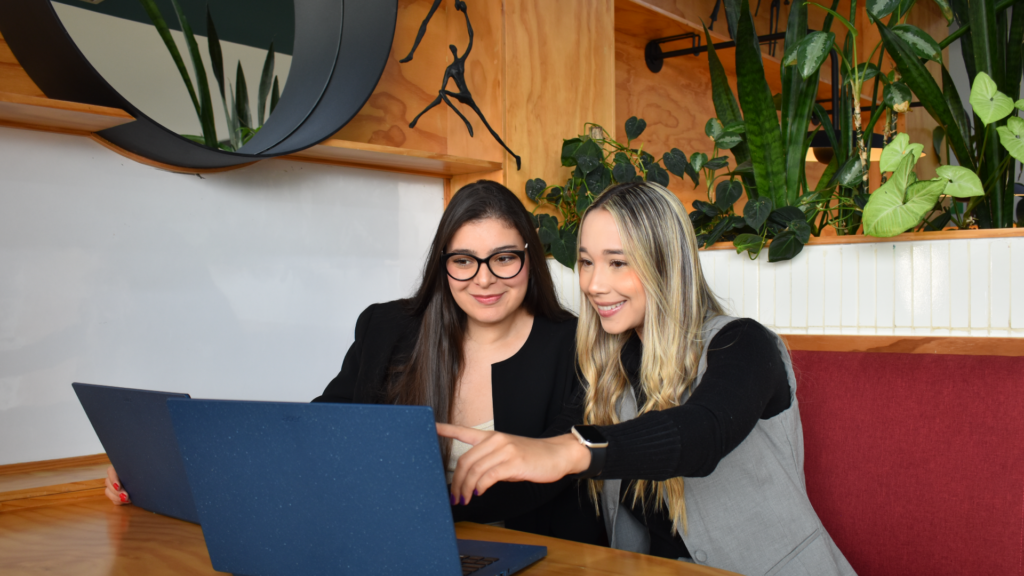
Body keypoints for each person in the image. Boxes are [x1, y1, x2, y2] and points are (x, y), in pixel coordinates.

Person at [105, 180, 602, 545]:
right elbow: (317, 429)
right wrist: (163, 468)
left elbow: (560, 477)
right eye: (463, 260)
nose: (484, 278)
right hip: (385, 543)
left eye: (504, 257)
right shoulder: (388, 329)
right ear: (443, 265)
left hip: (533, 549)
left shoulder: (574, 345)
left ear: (528, 258)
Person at [439, 181, 856, 575]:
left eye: (617, 262)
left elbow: (701, 433)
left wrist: (573, 449)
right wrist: (426, 506)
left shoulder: (742, 344)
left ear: (664, 263)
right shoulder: (606, 370)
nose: (594, 284)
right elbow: (537, 482)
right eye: (585, 262)